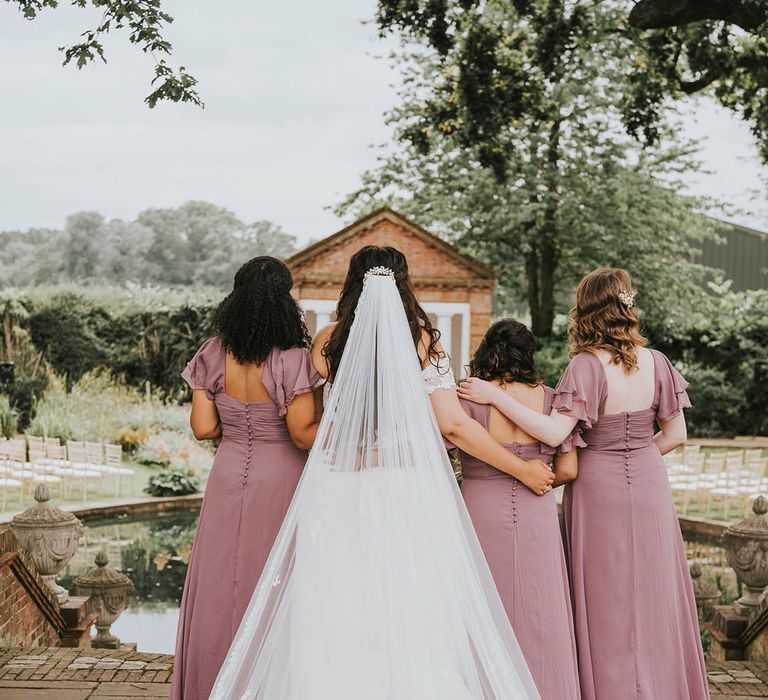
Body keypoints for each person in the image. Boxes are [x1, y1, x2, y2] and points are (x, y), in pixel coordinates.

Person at [209, 256, 541, 699]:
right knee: (409, 601)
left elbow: (319, 424)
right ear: (403, 285)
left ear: (352, 284)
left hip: (340, 486)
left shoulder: (327, 341)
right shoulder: (424, 344)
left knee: (336, 600)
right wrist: (521, 467)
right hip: (405, 486)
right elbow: (454, 426)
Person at [458, 268, 709, 700]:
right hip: (649, 482)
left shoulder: (586, 366)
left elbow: (555, 434)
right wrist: (637, 455)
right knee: (654, 589)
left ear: (586, 310)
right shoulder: (658, 362)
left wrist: (494, 395)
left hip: (597, 487)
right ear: (626, 308)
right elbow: (676, 435)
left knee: (605, 596)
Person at [170, 257, 320, 700]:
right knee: (273, 579)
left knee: (220, 579)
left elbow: (203, 428)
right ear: (285, 301)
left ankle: (212, 682)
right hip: (282, 476)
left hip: (229, 471)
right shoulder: (294, 360)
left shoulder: (212, 353)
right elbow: (301, 432)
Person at [455, 318, 580, 700]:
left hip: (479, 510)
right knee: (541, 612)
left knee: (483, 610)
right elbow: (569, 469)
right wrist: (535, 478)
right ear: (529, 355)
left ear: (485, 352)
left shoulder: (468, 397)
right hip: (536, 512)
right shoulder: (551, 399)